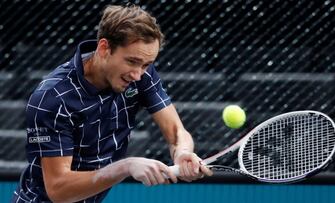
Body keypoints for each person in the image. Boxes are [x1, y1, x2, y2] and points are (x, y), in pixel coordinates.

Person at [12, 4, 212, 203]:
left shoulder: (141, 74)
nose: (138, 74)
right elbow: (59, 190)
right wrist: (126, 167)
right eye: (132, 61)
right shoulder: (53, 98)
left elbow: (177, 131)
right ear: (104, 48)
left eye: (146, 64)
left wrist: (183, 152)